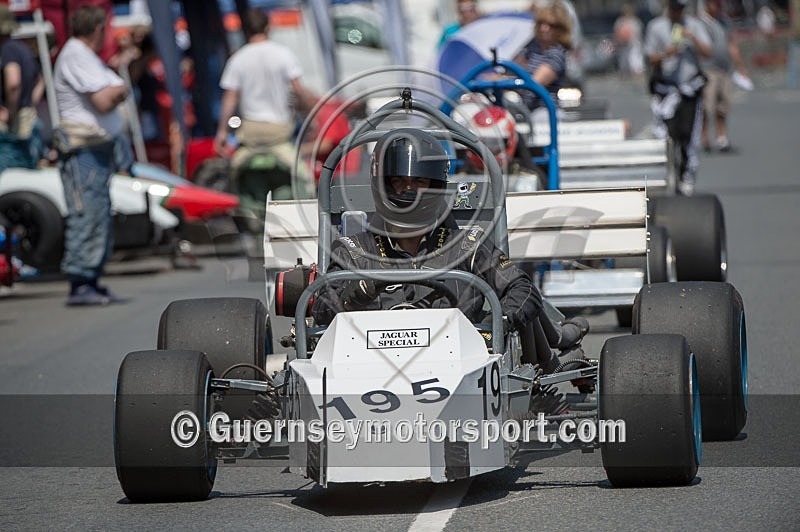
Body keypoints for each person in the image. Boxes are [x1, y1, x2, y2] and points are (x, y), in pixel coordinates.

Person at [311, 128, 588, 374]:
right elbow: (321, 307)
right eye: (400, 183)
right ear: (383, 186)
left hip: (463, 373)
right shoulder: (354, 251)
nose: (409, 192)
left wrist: (497, 322)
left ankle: (555, 355)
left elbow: (521, 287)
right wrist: (352, 297)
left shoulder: (468, 245)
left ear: (436, 186)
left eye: (418, 183)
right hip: (366, 373)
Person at [53, 5, 130, 306]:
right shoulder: (75, 54)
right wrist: (121, 89)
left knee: (97, 212)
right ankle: (81, 281)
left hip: (94, 147)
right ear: (98, 29)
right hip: (82, 148)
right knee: (87, 212)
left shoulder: (83, 56)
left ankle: (91, 279)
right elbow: (103, 101)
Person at [214, 8, 317, 208]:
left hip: (250, 134)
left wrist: (222, 132)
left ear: (245, 29)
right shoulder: (283, 54)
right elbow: (298, 91)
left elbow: (230, 98)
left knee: (234, 175)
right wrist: (312, 119)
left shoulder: (238, 58)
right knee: (305, 179)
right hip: (277, 133)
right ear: (268, 27)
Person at [644, 0, 711, 196]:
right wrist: (668, 52)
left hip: (689, 88)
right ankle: (666, 174)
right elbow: (650, 57)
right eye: (675, 7)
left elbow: (709, 52)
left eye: (681, 8)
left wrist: (693, 39)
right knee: (664, 136)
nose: (678, 11)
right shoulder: (656, 27)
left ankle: (686, 176)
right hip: (666, 90)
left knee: (689, 137)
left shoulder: (694, 25)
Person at [699, 0, 750, 152]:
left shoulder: (724, 22)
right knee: (706, 106)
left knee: (723, 106)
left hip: (724, 69)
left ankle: (722, 137)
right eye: (715, 4)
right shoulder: (701, 23)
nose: (718, 7)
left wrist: (741, 67)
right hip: (707, 69)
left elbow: (731, 45)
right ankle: (704, 137)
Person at [0, 6, 44, 173]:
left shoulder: (7, 49)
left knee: (12, 167)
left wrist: (11, 111)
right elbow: (40, 80)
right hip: (26, 114)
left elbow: (13, 82)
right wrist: (30, 103)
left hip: (15, 117)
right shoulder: (22, 48)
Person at [515, 0, 574, 111]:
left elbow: (534, 83)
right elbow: (517, 69)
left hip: (544, 111)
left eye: (550, 25)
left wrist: (508, 82)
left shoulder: (556, 53)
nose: (544, 29)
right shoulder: (532, 50)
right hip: (527, 110)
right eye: (541, 23)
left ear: (561, 28)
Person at [614, 3, 645, 76]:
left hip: (634, 46)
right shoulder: (620, 21)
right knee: (624, 66)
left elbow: (637, 34)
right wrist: (620, 39)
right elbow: (617, 33)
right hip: (623, 47)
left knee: (636, 65)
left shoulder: (635, 21)